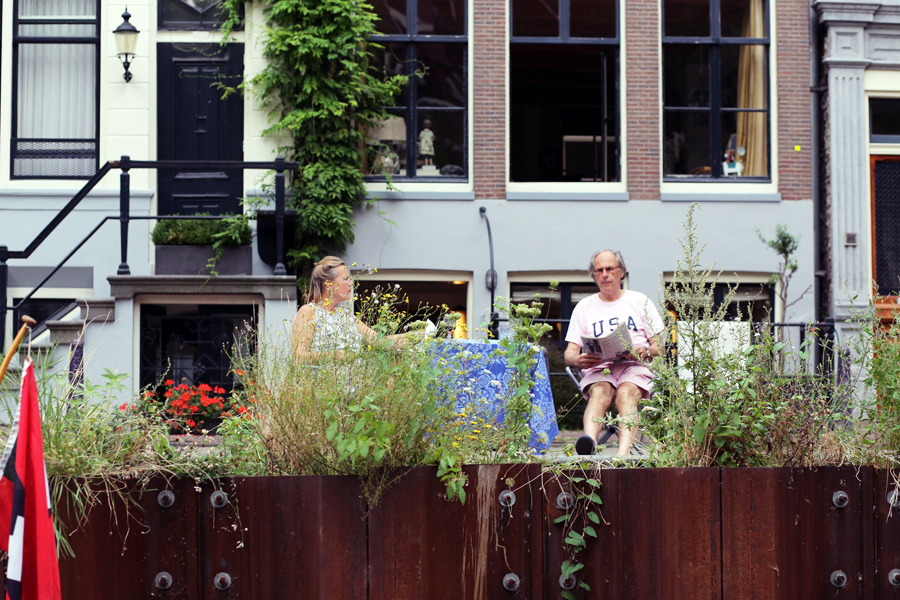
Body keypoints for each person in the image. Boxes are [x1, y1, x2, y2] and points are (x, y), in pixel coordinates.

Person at [564, 250, 664, 456]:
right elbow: (569, 354)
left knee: (625, 394)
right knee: (600, 392)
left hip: (635, 366)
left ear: (621, 272)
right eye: (599, 270)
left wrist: (644, 350)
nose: (604, 274)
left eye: (610, 269)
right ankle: (588, 446)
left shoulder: (639, 301)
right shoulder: (583, 307)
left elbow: (659, 347)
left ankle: (622, 455)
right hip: (599, 368)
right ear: (594, 276)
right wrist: (579, 359)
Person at [292, 256, 418, 361]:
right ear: (329, 284)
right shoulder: (309, 311)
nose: (351, 283)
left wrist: (417, 336)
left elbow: (380, 342)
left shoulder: (347, 316)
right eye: (345, 279)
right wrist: (334, 355)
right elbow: (299, 355)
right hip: (323, 388)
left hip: (353, 388)